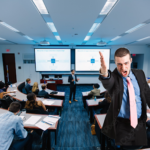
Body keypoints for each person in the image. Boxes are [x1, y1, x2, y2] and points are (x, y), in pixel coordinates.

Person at [99, 47, 150, 146]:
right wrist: (104, 72)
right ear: (115, 63)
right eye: (119, 64)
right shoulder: (113, 77)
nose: (123, 68)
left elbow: (148, 94)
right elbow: (108, 82)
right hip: (122, 124)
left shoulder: (140, 73)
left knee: (141, 146)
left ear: (131, 60)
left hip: (140, 123)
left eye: (126, 63)